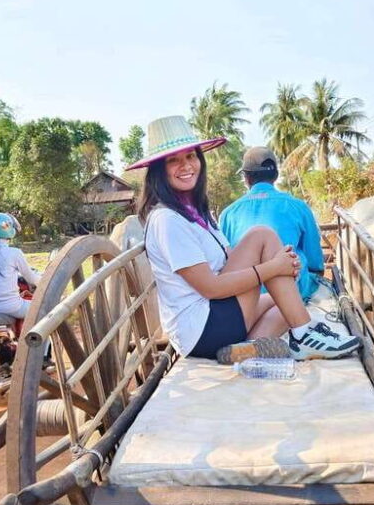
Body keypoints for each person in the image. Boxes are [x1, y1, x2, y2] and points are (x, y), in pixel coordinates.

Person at [125, 115, 359, 363]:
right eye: (173, 161)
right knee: (262, 234)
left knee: (288, 302)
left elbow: (229, 258)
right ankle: (304, 334)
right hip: (202, 327)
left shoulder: (197, 212)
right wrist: (272, 268)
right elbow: (211, 288)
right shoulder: (167, 220)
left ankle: (246, 350)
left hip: (216, 314)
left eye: (191, 156)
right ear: (159, 171)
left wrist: (284, 268)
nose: (186, 166)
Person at [220, 146, 324, 300]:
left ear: (246, 178)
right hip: (293, 291)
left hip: (245, 295)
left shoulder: (227, 214)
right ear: (275, 175)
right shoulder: (298, 206)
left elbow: (225, 262)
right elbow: (315, 262)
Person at [0, 212, 41, 319]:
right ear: (8, 229)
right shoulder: (14, 253)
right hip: (10, 307)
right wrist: (45, 281)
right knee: (44, 309)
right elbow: (31, 278)